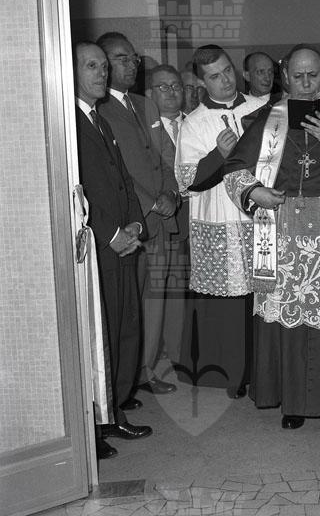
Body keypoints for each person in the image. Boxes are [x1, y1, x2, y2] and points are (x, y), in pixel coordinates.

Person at [224, 44, 320, 429]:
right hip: (284, 233)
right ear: (285, 76)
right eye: (299, 76)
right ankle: (293, 402)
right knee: (289, 319)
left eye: (313, 75)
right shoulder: (268, 119)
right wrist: (254, 192)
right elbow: (234, 170)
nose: (307, 83)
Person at [73, 42, 152, 459]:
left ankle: (115, 408)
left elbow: (123, 179)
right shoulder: (69, 122)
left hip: (123, 239)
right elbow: (77, 191)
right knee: (100, 335)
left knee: (124, 325)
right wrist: (111, 234)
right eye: (92, 66)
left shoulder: (99, 119)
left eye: (104, 65)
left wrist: (136, 223)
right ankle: (96, 423)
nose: (102, 73)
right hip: (99, 245)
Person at [174, 45, 263, 397]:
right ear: (201, 82)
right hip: (219, 219)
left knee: (263, 293)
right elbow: (188, 181)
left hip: (261, 218)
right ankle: (234, 373)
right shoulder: (194, 123)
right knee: (229, 300)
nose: (225, 80)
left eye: (227, 70)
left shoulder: (259, 109)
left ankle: (266, 369)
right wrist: (219, 154)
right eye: (214, 76)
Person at [97, 32, 179, 398]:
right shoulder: (97, 110)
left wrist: (171, 193)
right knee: (126, 305)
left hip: (160, 219)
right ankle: (123, 380)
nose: (131, 65)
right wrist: (150, 201)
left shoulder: (145, 104)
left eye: (133, 59)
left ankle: (146, 371)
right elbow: (115, 173)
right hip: (131, 221)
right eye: (121, 58)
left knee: (154, 300)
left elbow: (166, 156)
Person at [146, 64, 191, 364]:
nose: (172, 92)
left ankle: (179, 353)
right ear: (150, 93)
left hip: (198, 222)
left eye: (176, 86)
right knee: (161, 293)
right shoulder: (143, 129)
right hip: (163, 222)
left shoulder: (196, 123)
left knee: (186, 294)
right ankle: (157, 357)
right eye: (163, 87)